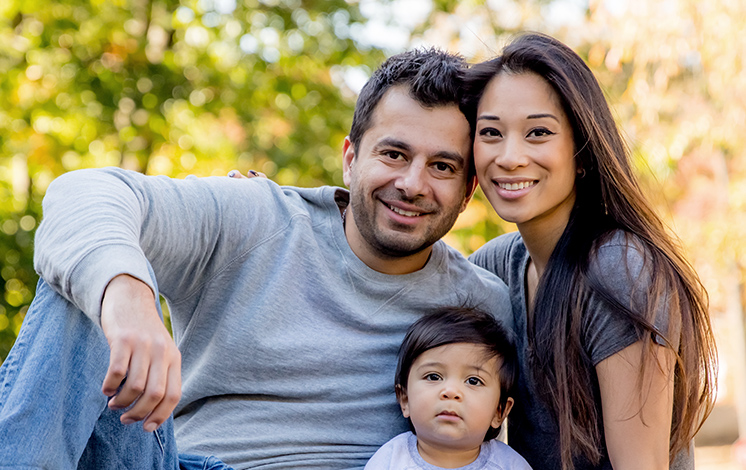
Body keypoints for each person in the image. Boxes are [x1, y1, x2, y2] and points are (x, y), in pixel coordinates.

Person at [0, 49, 514, 469]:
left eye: (442, 166)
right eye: (394, 154)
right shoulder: (257, 218)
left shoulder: (480, 304)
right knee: (87, 279)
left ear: (469, 189)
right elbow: (83, 193)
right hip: (186, 461)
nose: (411, 184)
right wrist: (128, 295)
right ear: (351, 157)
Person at [463, 33, 717, 470]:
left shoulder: (618, 269)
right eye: (490, 132)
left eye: (538, 132)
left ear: (581, 153)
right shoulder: (498, 264)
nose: (509, 156)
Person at [364, 306, 531, 470]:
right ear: (405, 399)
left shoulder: (511, 465)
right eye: (433, 377)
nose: (451, 391)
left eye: (473, 381)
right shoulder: (390, 460)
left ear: (499, 411)